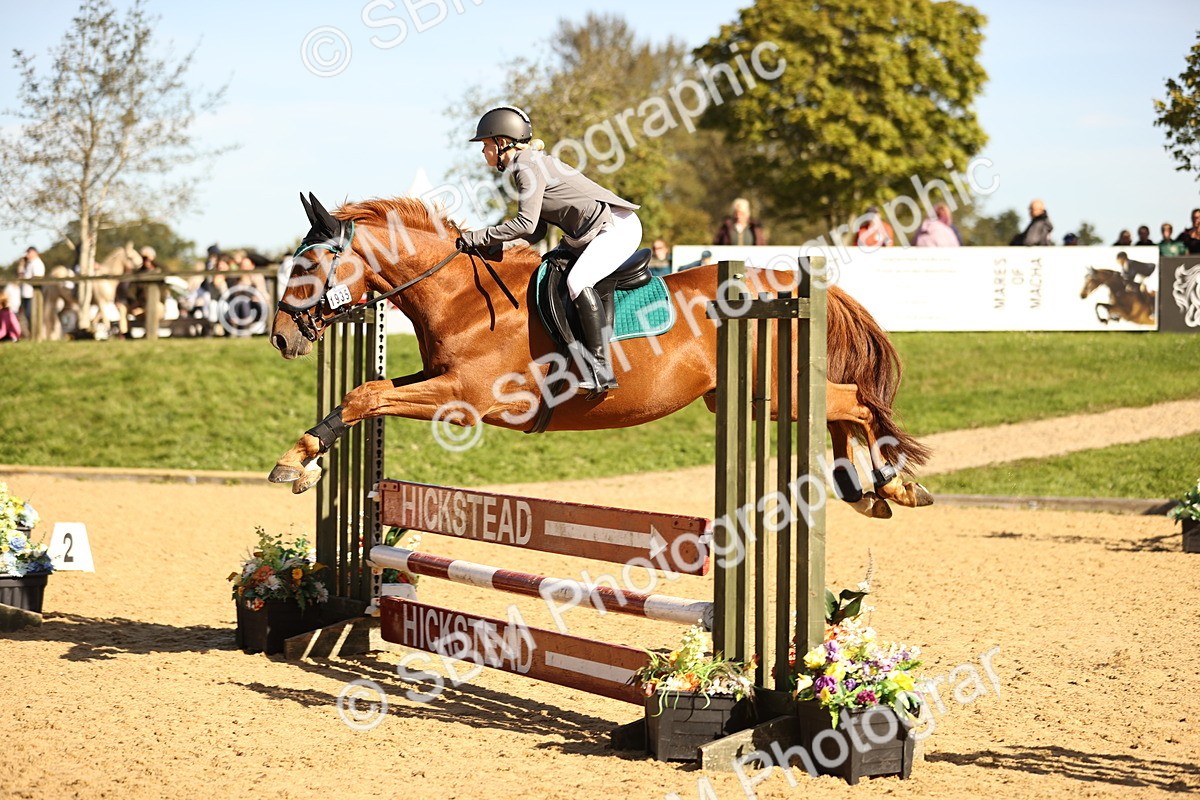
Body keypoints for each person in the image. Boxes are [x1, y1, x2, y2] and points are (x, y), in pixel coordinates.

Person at [456, 106, 640, 394]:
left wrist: (478, 237)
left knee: (577, 282)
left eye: (485, 145)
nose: (483, 152)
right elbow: (538, 229)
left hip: (616, 227)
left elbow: (525, 223)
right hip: (590, 231)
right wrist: (498, 247)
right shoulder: (527, 164)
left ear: (503, 142)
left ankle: (600, 371)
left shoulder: (526, 167)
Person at [17, 246, 45, 328]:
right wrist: (22, 264)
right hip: (26, 293)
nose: (27, 255)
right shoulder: (29, 264)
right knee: (27, 315)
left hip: (33, 294)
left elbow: (38, 279)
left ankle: (36, 335)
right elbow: (20, 276)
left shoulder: (37, 263)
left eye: (28, 252)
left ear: (34, 252)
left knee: (32, 315)